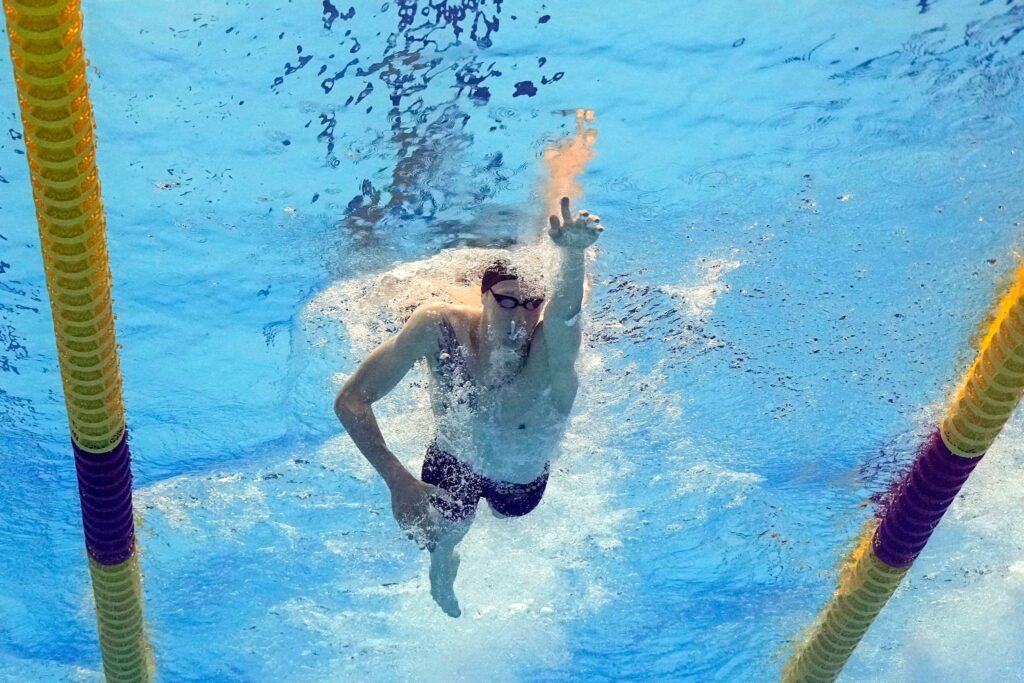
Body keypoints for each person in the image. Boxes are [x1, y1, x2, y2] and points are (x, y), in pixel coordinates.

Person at [334, 197, 603, 617]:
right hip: (453, 458)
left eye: (532, 303)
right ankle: (443, 560)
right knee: (441, 532)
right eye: (507, 302)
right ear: (483, 298)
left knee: (508, 513)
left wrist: (571, 254)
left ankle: (453, 542)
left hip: (519, 481)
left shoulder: (549, 351)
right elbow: (351, 400)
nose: (520, 316)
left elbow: (566, 314)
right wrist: (396, 480)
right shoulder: (438, 327)